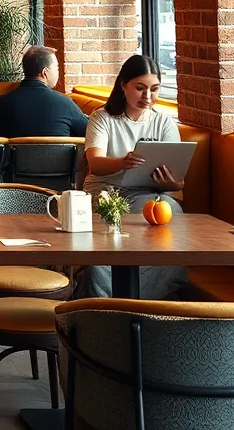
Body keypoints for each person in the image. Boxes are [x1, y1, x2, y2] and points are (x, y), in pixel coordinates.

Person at [82, 54, 186, 299]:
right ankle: (102, 300)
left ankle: (150, 301)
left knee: (172, 212)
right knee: (113, 217)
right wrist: (122, 163)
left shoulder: (164, 123)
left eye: (154, 89)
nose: (147, 97)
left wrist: (168, 181)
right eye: (140, 88)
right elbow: (95, 164)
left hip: (147, 193)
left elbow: (179, 183)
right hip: (106, 188)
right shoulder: (102, 118)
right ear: (123, 85)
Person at [0, 45, 88, 138]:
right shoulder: (65, 103)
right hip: (59, 160)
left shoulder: (1, 103)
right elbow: (91, 133)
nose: (58, 71)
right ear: (45, 72)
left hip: (16, 160)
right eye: (56, 67)